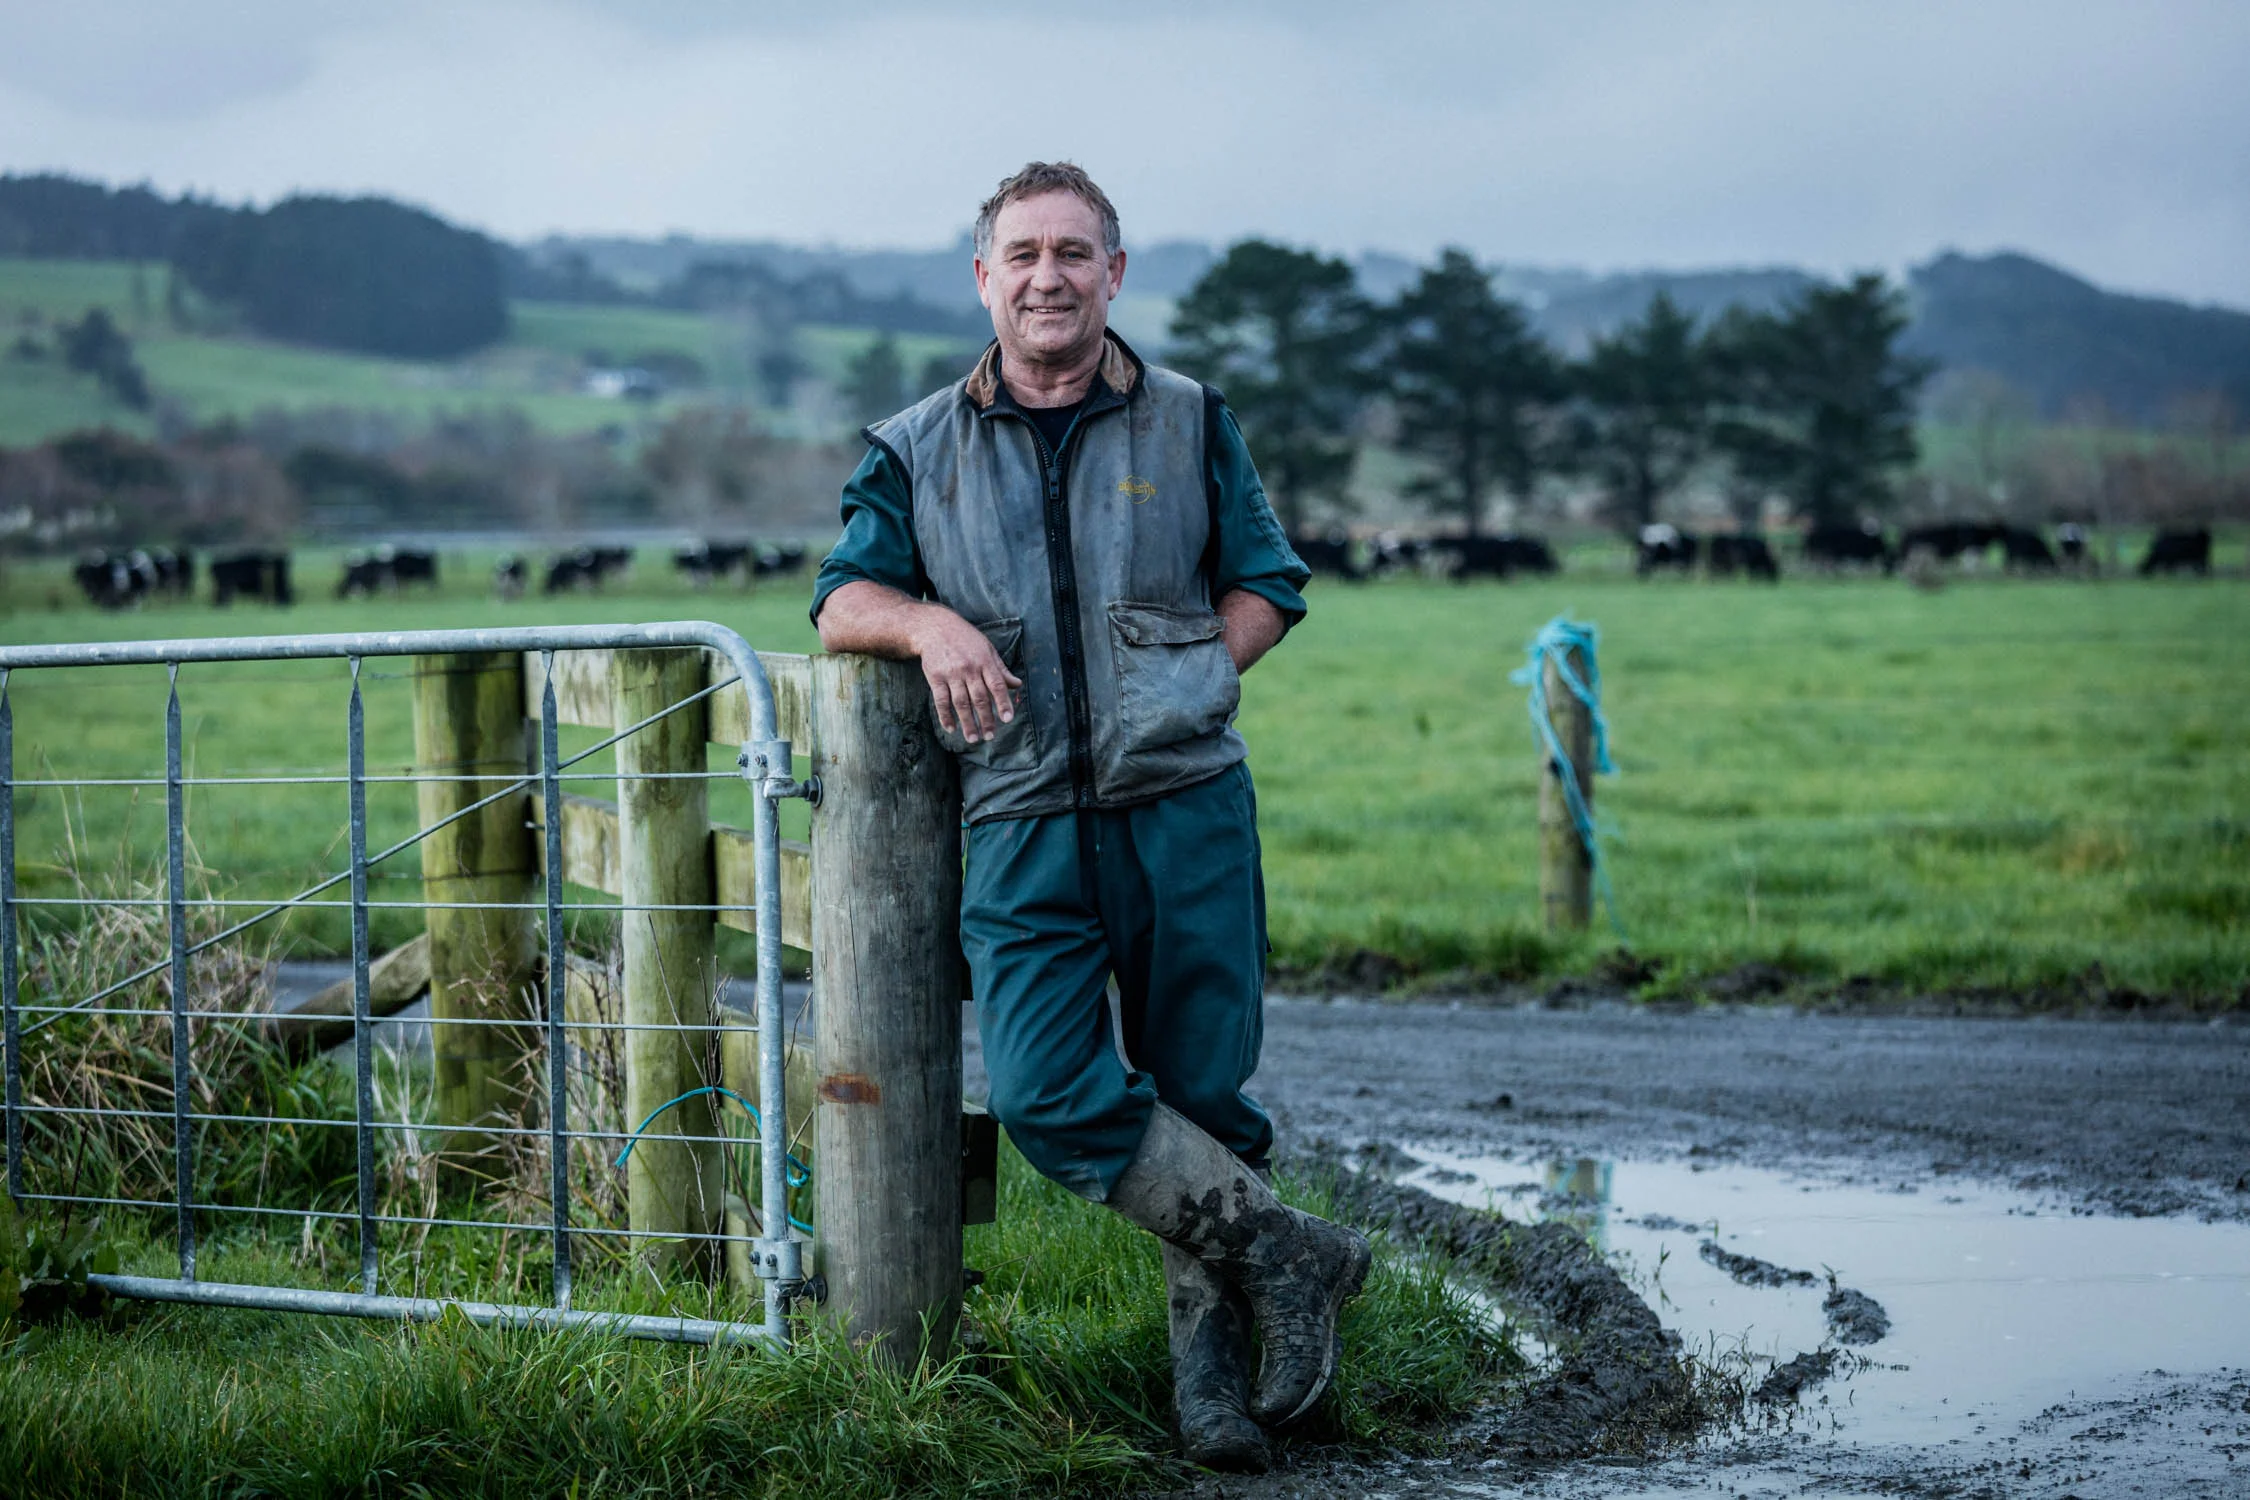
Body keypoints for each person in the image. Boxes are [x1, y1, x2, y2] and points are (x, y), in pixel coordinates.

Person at [811, 161, 1367, 1472]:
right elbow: (843, 600)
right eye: (1021, 254)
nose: (1046, 276)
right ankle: (1294, 1255)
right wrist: (928, 620)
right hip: (1016, 816)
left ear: (1114, 274)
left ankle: (1215, 1396)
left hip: (1183, 812)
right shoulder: (913, 447)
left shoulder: (1188, 420)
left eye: (1073, 253)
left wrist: (1183, 687)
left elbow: (1269, 580)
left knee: (1203, 1096)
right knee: (1053, 1097)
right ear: (982, 279)